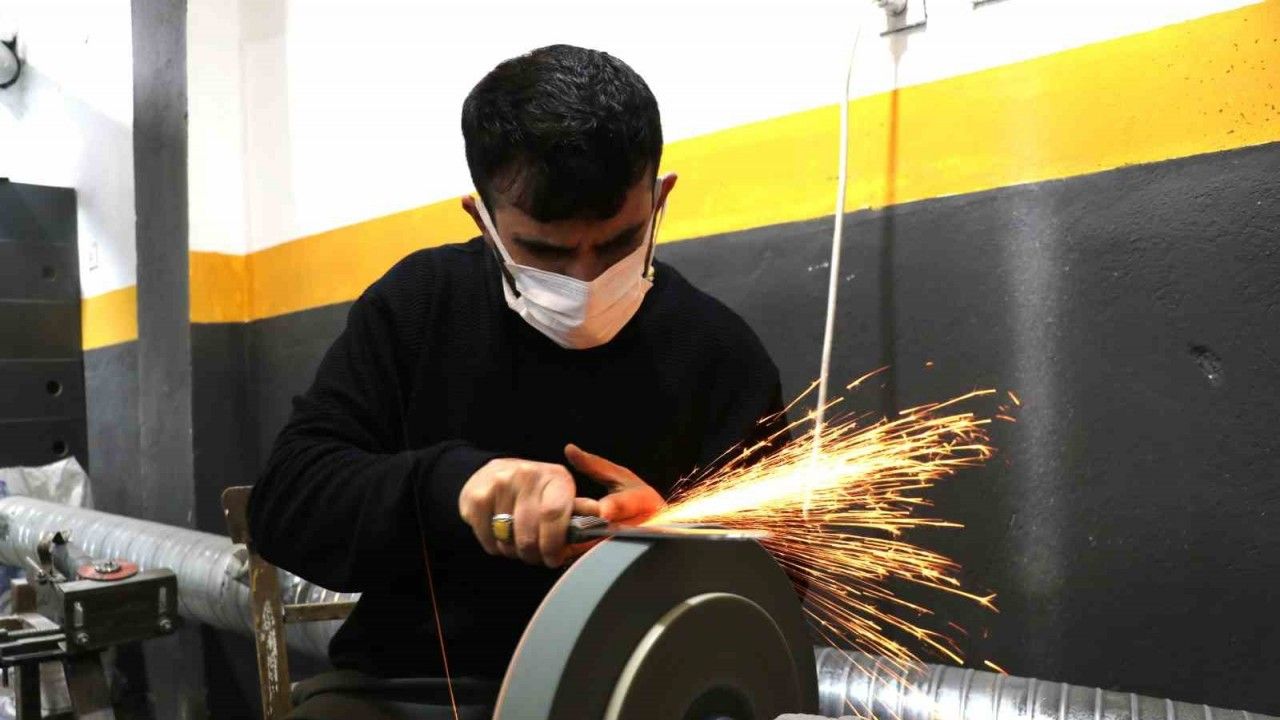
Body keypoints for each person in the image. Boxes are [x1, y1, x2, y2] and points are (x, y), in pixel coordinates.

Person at [248, 43, 788, 720]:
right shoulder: (417, 307)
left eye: (618, 243)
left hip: (638, 692)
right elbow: (287, 503)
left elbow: (788, 576)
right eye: (545, 252)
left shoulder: (720, 353)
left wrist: (677, 548)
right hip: (415, 691)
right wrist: (453, 486)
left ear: (660, 199)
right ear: (483, 220)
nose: (586, 280)